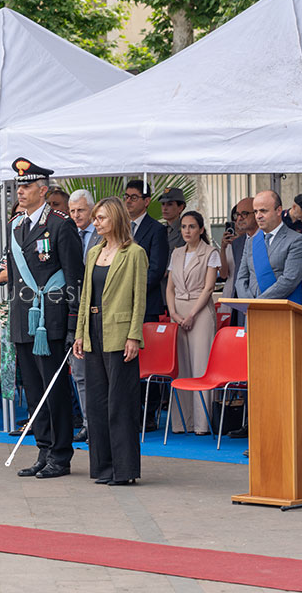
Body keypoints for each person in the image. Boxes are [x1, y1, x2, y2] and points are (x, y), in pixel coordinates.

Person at [5, 158, 82, 478]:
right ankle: (44, 448)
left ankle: (61, 455)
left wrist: (71, 322)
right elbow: (14, 279)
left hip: (48, 319)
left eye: (26, 186)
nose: (19, 192)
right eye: (18, 186)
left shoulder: (60, 225)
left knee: (54, 390)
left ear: (43, 190)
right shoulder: (17, 226)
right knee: (34, 391)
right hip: (25, 318)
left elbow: (75, 277)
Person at [73, 196, 147, 486]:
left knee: (120, 403)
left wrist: (133, 336)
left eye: (101, 217)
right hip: (93, 329)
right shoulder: (93, 253)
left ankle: (124, 469)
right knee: (97, 402)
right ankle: (103, 467)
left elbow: (139, 299)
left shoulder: (134, 253)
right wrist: (79, 333)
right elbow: (85, 297)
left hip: (119, 333)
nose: (95, 223)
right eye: (95, 218)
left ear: (115, 218)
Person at [233, 190, 302, 440]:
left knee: (282, 380)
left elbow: (289, 280)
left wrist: (257, 303)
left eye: (263, 210)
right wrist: (248, 303)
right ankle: (261, 436)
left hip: (282, 318)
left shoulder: (296, 241)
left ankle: (285, 436)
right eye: (256, 211)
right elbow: (241, 276)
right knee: (259, 380)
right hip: (255, 318)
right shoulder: (251, 241)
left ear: (279, 210)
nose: (258, 216)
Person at [166, 211, 219, 435]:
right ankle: (181, 422)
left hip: (200, 311)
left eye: (192, 227)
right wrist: (175, 314)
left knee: (200, 365)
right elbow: (169, 288)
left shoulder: (211, 252)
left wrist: (191, 315)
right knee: (182, 367)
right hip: (178, 311)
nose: (187, 231)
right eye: (184, 227)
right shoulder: (176, 253)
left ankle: (202, 423)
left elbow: (208, 288)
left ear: (201, 229)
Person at [123, 179, 169, 432]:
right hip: (122, 307)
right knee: (128, 358)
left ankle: (149, 413)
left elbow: (156, 269)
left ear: (146, 201)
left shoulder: (156, 230)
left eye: (133, 197)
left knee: (148, 358)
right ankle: (132, 409)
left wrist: (132, 292)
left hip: (146, 303)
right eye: (126, 196)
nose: (128, 200)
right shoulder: (121, 228)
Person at [68, 189, 101, 443]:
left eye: (80, 210)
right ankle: (89, 424)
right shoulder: (68, 233)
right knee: (79, 373)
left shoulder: (103, 236)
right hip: (74, 312)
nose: (76, 215)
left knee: (99, 374)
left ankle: (101, 425)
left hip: (99, 312)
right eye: (72, 211)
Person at [220, 197, 257, 326]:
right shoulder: (237, 244)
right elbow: (235, 276)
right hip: (240, 303)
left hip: (262, 304)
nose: (239, 219)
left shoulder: (268, 239)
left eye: (244, 214)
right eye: (237, 215)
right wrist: (223, 248)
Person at [159, 187, 186, 252]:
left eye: (169, 204)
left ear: (180, 208)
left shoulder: (185, 231)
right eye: (163, 204)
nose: (164, 208)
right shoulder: (159, 230)